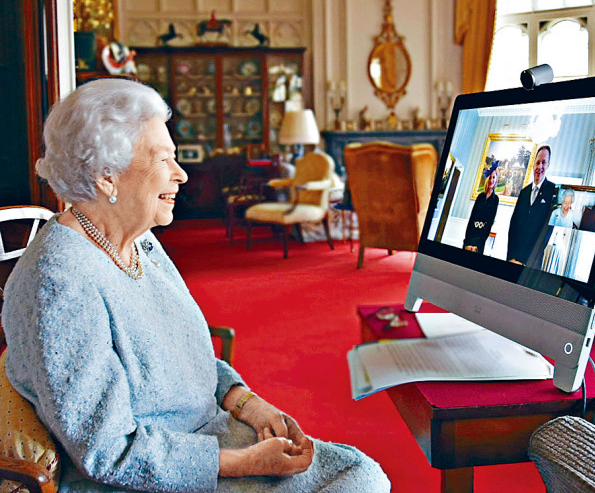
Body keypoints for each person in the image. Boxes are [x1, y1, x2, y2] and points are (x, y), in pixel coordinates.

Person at [1, 79, 390, 493]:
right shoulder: (58, 285)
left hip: (207, 437)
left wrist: (247, 402)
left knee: (358, 474)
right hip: (153, 476)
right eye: (164, 159)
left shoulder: (139, 242)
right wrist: (243, 463)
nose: (181, 173)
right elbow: (109, 453)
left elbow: (189, 358)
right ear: (105, 177)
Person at [506, 145, 557, 266]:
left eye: (543, 163)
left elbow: (546, 231)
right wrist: (511, 257)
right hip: (514, 259)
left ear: (548, 165)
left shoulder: (552, 191)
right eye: (538, 162)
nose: (540, 167)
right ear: (533, 164)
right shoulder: (524, 192)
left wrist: (528, 262)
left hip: (532, 262)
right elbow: (513, 226)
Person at [463, 160, 500, 253]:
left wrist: (478, 243)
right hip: (471, 234)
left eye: (494, 178)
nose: (491, 180)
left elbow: (490, 222)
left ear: (496, 180)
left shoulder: (495, 199)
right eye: (490, 177)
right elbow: (472, 218)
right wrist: (467, 241)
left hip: (480, 238)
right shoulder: (480, 196)